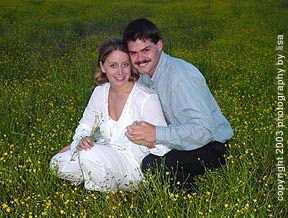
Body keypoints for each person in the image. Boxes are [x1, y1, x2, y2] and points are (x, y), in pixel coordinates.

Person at [124, 18, 233, 190]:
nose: (140, 58)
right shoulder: (145, 76)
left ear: (159, 45)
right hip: (180, 140)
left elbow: (203, 130)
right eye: (133, 53)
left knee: (152, 165)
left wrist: (156, 134)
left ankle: (190, 198)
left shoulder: (180, 77)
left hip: (211, 146)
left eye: (145, 50)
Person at [50, 39, 170, 192]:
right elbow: (85, 125)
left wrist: (148, 140)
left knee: (88, 155)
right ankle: (96, 174)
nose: (120, 72)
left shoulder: (145, 98)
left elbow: (165, 145)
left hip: (132, 166)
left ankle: (110, 198)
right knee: (57, 162)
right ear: (102, 67)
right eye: (113, 65)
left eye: (125, 64)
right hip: (102, 151)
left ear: (131, 65)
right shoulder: (100, 92)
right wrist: (80, 142)